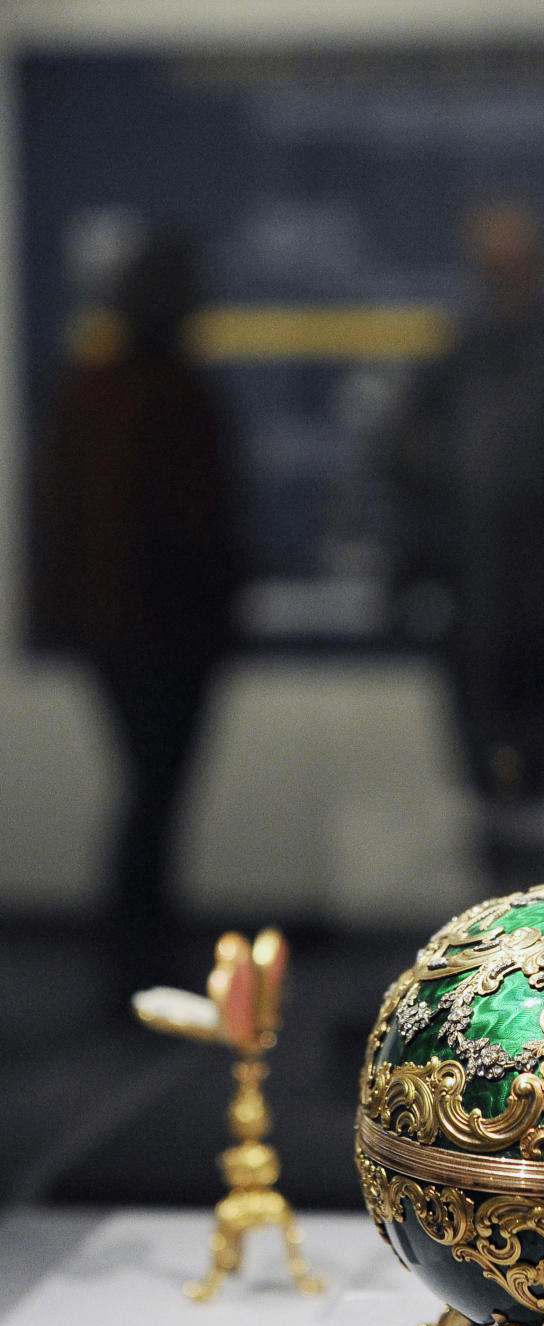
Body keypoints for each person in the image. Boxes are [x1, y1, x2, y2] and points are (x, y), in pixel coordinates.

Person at [30, 233, 242, 930]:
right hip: (165, 625)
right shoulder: (175, 395)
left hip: (119, 624)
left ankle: (136, 942)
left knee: (149, 790)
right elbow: (189, 520)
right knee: (157, 790)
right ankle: (139, 938)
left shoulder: (91, 391)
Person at [384, 200, 544, 885]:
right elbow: (410, 463)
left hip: (539, 607)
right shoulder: (454, 362)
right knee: (484, 799)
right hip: (472, 605)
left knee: (534, 796)